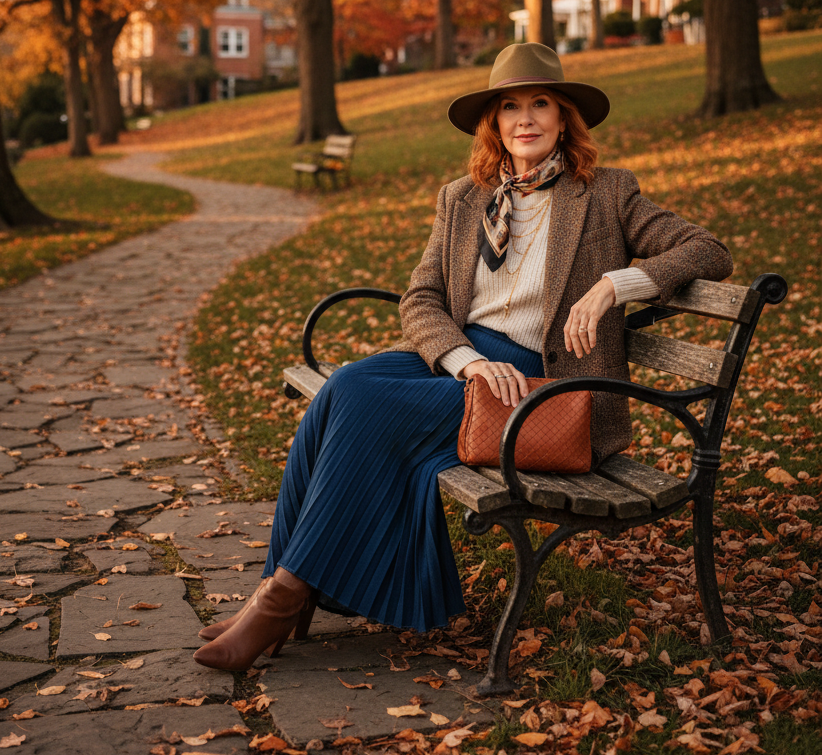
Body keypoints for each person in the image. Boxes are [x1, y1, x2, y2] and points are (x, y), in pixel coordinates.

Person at [193, 43, 732, 671]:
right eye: (510, 107)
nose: (525, 118)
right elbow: (421, 297)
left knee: (363, 406)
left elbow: (708, 251)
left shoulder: (607, 193)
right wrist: (466, 361)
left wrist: (616, 284)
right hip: (467, 361)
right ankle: (279, 590)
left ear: (564, 119)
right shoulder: (464, 198)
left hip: (541, 382)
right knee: (344, 387)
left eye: (541, 104)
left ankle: (283, 599)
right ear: (494, 124)